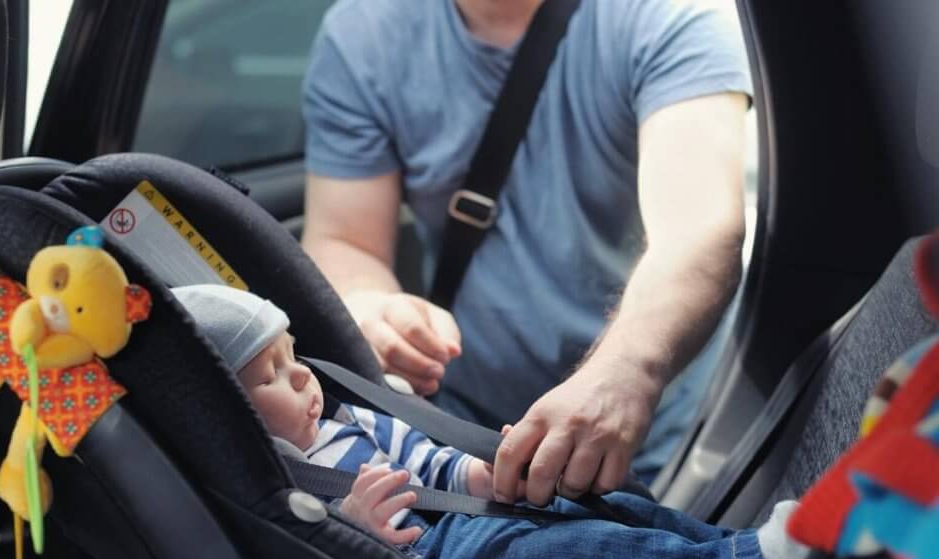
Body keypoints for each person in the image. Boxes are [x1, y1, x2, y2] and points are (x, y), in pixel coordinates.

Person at [172, 284, 807, 559]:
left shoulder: (348, 422)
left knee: (605, 506)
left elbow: (424, 460)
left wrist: (482, 476)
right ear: (228, 412)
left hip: (464, 516)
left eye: (293, 356)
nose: (302, 377)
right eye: (271, 376)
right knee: (558, 558)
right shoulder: (277, 484)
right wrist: (359, 527)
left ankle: (739, 553)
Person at [300, 0, 752, 503]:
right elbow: (344, 239)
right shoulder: (364, 33)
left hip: (650, 428)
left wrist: (627, 371)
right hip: (464, 426)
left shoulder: (666, 16)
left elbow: (699, 230)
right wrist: (372, 306)